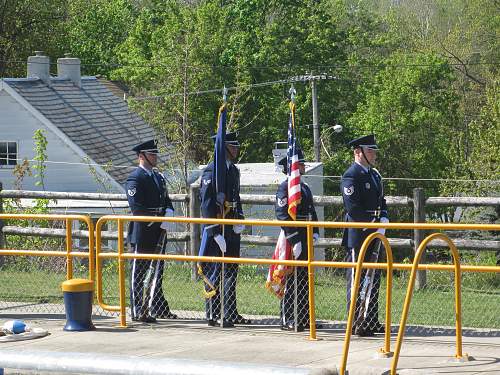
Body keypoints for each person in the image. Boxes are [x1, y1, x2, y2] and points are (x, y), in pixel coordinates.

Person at [199, 131, 251, 327]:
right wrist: (213, 231)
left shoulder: (233, 170)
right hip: (217, 228)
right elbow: (206, 204)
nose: (236, 149)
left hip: (231, 227)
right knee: (215, 271)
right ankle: (213, 312)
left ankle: (230, 311)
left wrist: (240, 219)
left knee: (230, 271)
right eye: (232, 145)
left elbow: (236, 198)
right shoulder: (212, 171)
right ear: (223, 148)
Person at [340, 134, 389, 336]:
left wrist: (384, 218)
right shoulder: (351, 175)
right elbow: (353, 208)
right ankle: (354, 321)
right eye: (370, 150)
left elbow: (381, 201)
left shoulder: (374, 175)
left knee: (373, 277)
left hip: (375, 231)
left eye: (374, 150)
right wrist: (373, 224)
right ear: (358, 152)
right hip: (359, 234)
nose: (374, 154)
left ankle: (369, 319)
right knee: (357, 278)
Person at [126, 139, 178, 323]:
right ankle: (136, 310)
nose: (155, 157)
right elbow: (137, 208)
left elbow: (166, 199)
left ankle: (153, 307)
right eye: (151, 154)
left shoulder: (158, 177)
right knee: (138, 274)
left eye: (155, 154)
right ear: (141, 156)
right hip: (143, 231)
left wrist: (169, 211)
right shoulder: (135, 178)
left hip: (159, 231)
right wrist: (158, 218)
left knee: (156, 272)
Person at [275, 151, 319, 331]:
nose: (303, 166)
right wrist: (294, 240)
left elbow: (311, 212)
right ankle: (288, 317)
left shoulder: (305, 187)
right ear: (291, 168)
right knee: (291, 279)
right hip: (292, 238)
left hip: (306, 235)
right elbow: (282, 215)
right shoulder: (285, 188)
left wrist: (315, 231)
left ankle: (303, 316)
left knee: (304, 278)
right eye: (300, 164)